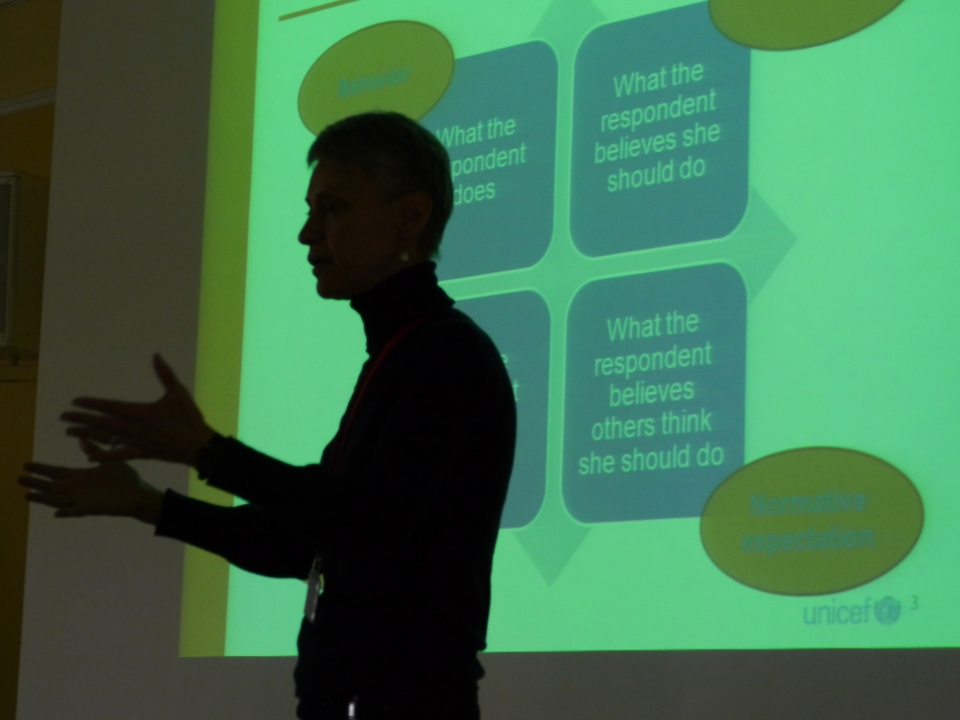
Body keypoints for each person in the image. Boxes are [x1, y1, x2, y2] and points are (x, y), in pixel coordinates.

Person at [19, 111, 517, 720]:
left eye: (332, 208)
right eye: (311, 210)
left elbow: (362, 526)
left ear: (410, 216)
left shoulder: (447, 356)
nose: (308, 233)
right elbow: (300, 544)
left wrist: (209, 453)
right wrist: (149, 504)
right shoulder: (400, 353)